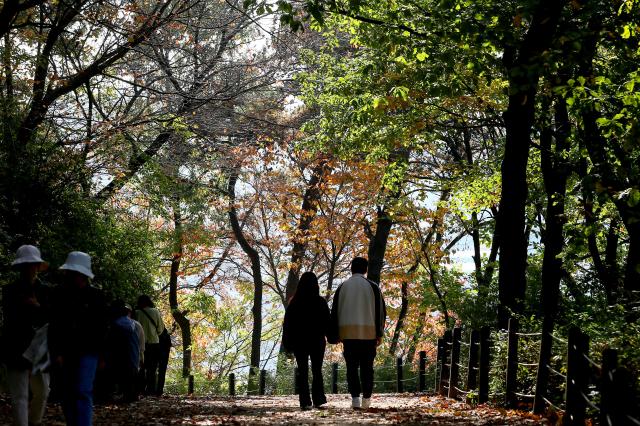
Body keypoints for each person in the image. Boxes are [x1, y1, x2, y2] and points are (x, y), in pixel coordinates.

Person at [49, 251, 107, 426]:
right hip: (66, 351)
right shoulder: (59, 294)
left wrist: (103, 355)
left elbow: (102, 327)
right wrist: (56, 351)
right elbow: (55, 325)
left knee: (82, 391)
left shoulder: (96, 296)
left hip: (89, 351)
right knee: (67, 393)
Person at [1, 245, 51, 426]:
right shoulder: (9, 291)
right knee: (19, 395)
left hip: (40, 347)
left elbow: (52, 316)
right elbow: (10, 318)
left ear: (37, 266)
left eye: (32, 264)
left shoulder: (45, 291)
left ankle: (34, 422)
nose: (30, 268)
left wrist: (37, 306)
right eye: (26, 265)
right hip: (15, 346)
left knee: (43, 390)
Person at [330, 257, 386, 410]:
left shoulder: (342, 287)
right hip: (369, 334)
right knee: (368, 368)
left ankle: (355, 399)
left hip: (348, 335)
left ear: (351, 268)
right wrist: (379, 333)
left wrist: (336, 334)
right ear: (365, 269)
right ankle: (366, 399)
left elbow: (335, 312)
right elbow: (381, 312)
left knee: (351, 368)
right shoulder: (373, 287)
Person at [282, 271, 330, 410]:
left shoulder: (294, 303)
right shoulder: (320, 302)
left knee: (302, 371)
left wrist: (288, 343)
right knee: (317, 370)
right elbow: (327, 321)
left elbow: (287, 325)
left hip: (299, 341)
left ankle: (305, 401)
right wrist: (331, 336)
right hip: (317, 340)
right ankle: (318, 399)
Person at [106, 300, 140, 402]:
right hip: (132, 354)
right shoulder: (134, 324)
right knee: (131, 375)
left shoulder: (114, 325)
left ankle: (120, 395)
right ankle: (131, 395)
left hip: (119, 355)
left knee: (120, 374)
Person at [134, 294, 165, 396]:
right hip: (154, 343)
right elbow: (161, 329)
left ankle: (140, 390)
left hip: (140, 345)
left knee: (141, 368)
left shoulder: (137, 313)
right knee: (152, 369)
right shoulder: (155, 311)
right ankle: (151, 391)